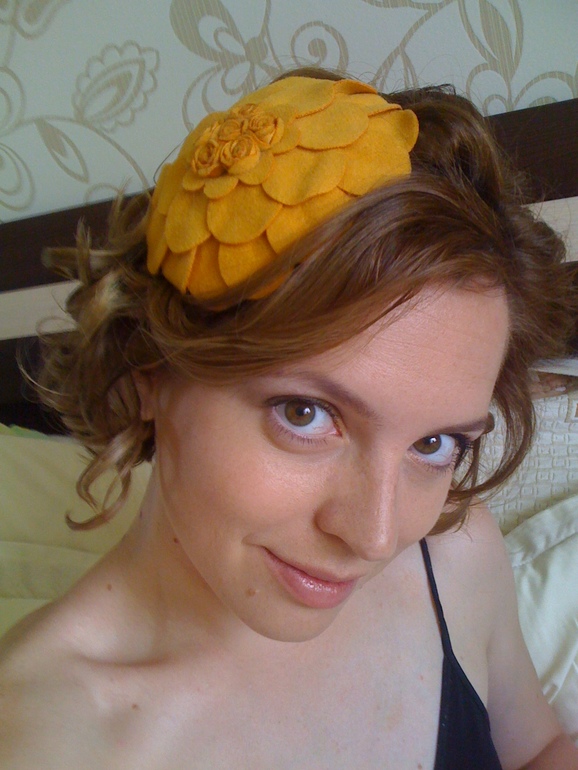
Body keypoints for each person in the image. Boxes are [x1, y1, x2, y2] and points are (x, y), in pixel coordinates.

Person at [0, 70, 577, 770]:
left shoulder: (455, 557)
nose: (375, 536)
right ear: (149, 366)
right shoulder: (39, 740)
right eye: (305, 414)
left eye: (434, 443)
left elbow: (539, 749)